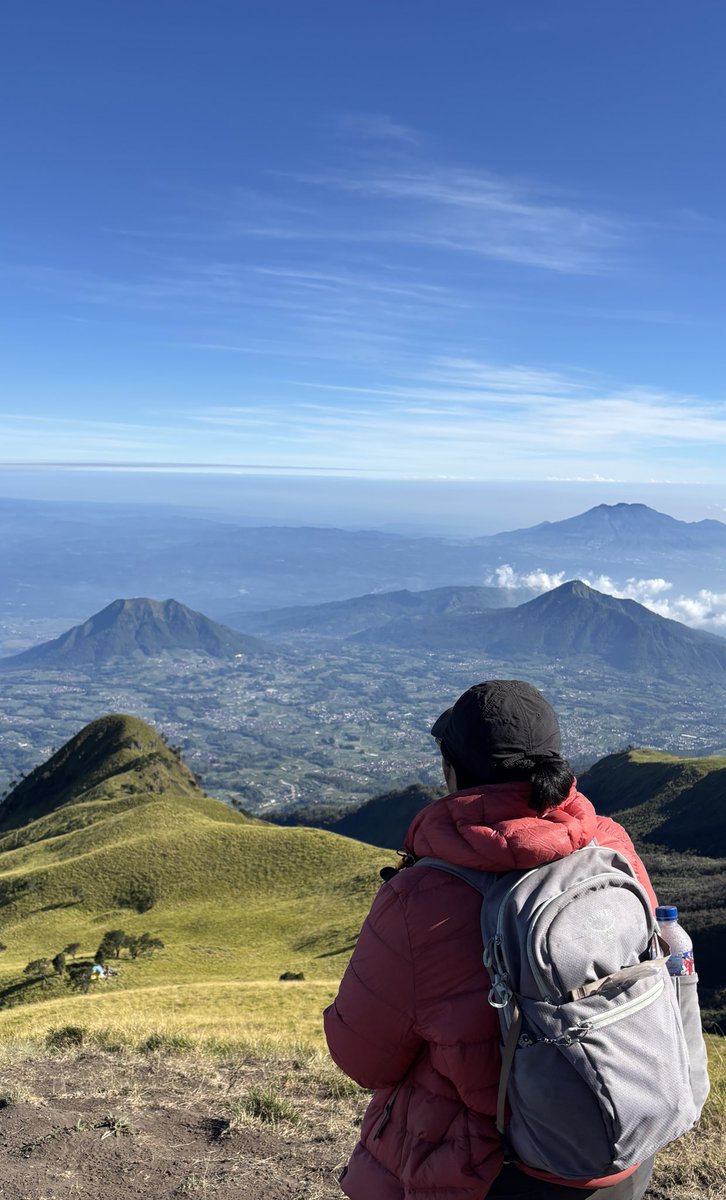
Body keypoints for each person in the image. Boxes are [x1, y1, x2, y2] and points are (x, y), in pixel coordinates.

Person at [324, 680, 660, 1200]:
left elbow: (364, 1059)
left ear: (452, 771)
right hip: (621, 1146)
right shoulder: (611, 846)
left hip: (489, 1169)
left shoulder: (421, 897)